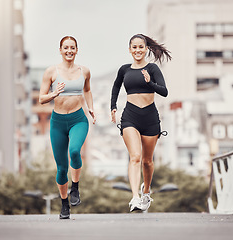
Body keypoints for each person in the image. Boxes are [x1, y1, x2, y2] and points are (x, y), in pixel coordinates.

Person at [110, 34, 171, 212]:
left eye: (140, 47)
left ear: (146, 49)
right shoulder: (124, 69)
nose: (137, 50)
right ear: (130, 49)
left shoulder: (152, 68)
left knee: (147, 161)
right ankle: (135, 197)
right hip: (130, 116)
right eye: (134, 47)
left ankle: (146, 191)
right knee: (135, 157)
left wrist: (149, 82)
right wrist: (113, 107)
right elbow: (116, 86)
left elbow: (164, 92)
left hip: (150, 117)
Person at [39, 36, 96, 219]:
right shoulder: (51, 72)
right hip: (57, 122)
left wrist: (91, 108)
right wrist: (54, 93)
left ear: (77, 50)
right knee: (61, 168)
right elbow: (41, 99)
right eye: (66, 48)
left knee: (74, 151)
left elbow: (87, 90)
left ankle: (76, 187)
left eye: (72, 48)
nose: (69, 51)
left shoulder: (84, 71)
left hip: (78, 119)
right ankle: (64, 203)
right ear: (61, 50)